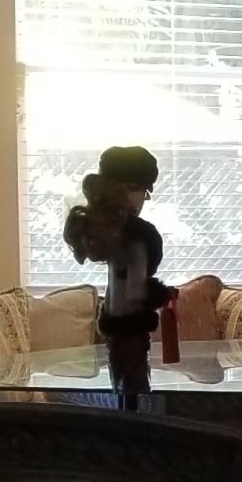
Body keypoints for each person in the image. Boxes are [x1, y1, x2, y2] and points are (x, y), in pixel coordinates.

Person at [63, 145, 170, 404]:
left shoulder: (109, 230)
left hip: (114, 322)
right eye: (144, 191)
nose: (144, 200)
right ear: (131, 189)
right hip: (131, 328)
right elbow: (135, 291)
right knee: (135, 392)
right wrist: (159, 294)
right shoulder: (140, 233)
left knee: (123, 389)